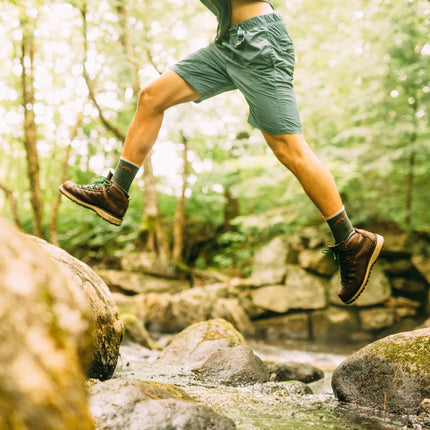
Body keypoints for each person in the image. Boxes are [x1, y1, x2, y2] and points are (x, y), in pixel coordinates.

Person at [59, 0, 384, 304]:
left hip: (259, 42)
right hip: (230, 43)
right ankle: (116, 192)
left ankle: (352, 241)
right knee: (151, 97)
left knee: (289, 148)